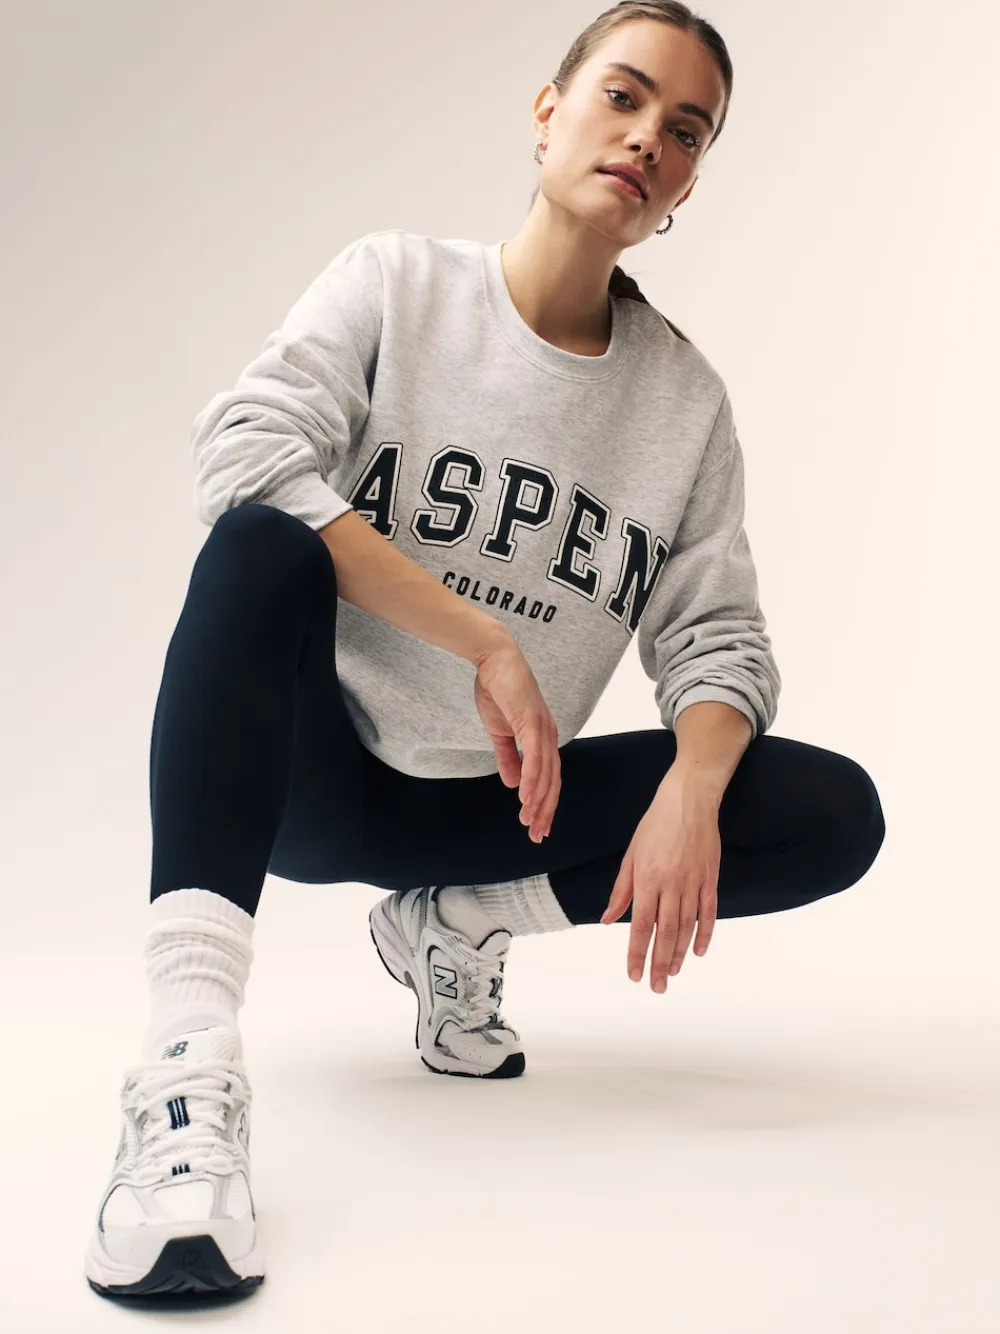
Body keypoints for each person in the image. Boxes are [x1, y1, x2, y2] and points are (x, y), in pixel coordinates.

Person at [83, 1, 886, 1302]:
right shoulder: (398, 286)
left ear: (688, 183)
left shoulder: (685, 405)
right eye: (623, 95)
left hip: (506, 812)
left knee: (826, 810)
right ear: (548, 110)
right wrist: (480, 638)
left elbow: (719, 636)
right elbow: (245, 453)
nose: (649, 138)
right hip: (315, 779)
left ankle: (455, 926)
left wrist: (692, 785)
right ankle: (184, 1075)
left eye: (687, 130)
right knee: (259, 546)